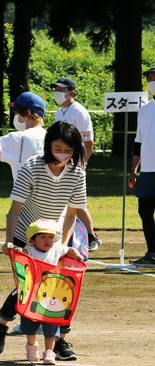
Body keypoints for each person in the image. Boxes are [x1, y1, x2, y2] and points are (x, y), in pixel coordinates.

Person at [0, 121, 88, 360]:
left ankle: (59, 343)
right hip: (26, 234)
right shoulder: (31, 167)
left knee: (57, 286)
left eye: (69, 151)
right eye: (58, 148)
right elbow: (14, 210)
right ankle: (1, 323)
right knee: (28, 286)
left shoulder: (77, 173)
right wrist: (9, 241)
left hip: (55, 237)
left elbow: (72, 213)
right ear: (47, 145)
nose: (63, 155)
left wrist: (63, 245)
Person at [3, 220, 85, 366]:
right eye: (43, 237)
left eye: (51, 237)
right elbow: (23, 253)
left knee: (51, 323)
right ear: (32, 240)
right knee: (30, 322)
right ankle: (32, 346)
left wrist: (77, 254)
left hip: (52, 293)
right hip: (33, 293)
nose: (48, 240)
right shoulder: (31, 251)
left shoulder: (57, 249)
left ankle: (49, 352)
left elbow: (69, 250)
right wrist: (17, 250)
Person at [52, 76, 101, 251]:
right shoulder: (59, 112)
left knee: (78, 203)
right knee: (63, 201)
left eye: (61, 90)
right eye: (56, 89)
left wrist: (82, 162)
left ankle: (92, 236)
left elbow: (88, 142)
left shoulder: (80, 111)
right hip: (61, 161)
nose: (57, 93)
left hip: (76, 163)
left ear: (71, 92)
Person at [128, 67, 155, 266]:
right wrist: (133, 170)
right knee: (144, 211)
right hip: (147, 171)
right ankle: (152, 253)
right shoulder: (144, 109)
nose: (151, 82)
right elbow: (138, 142)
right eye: (149, 79)